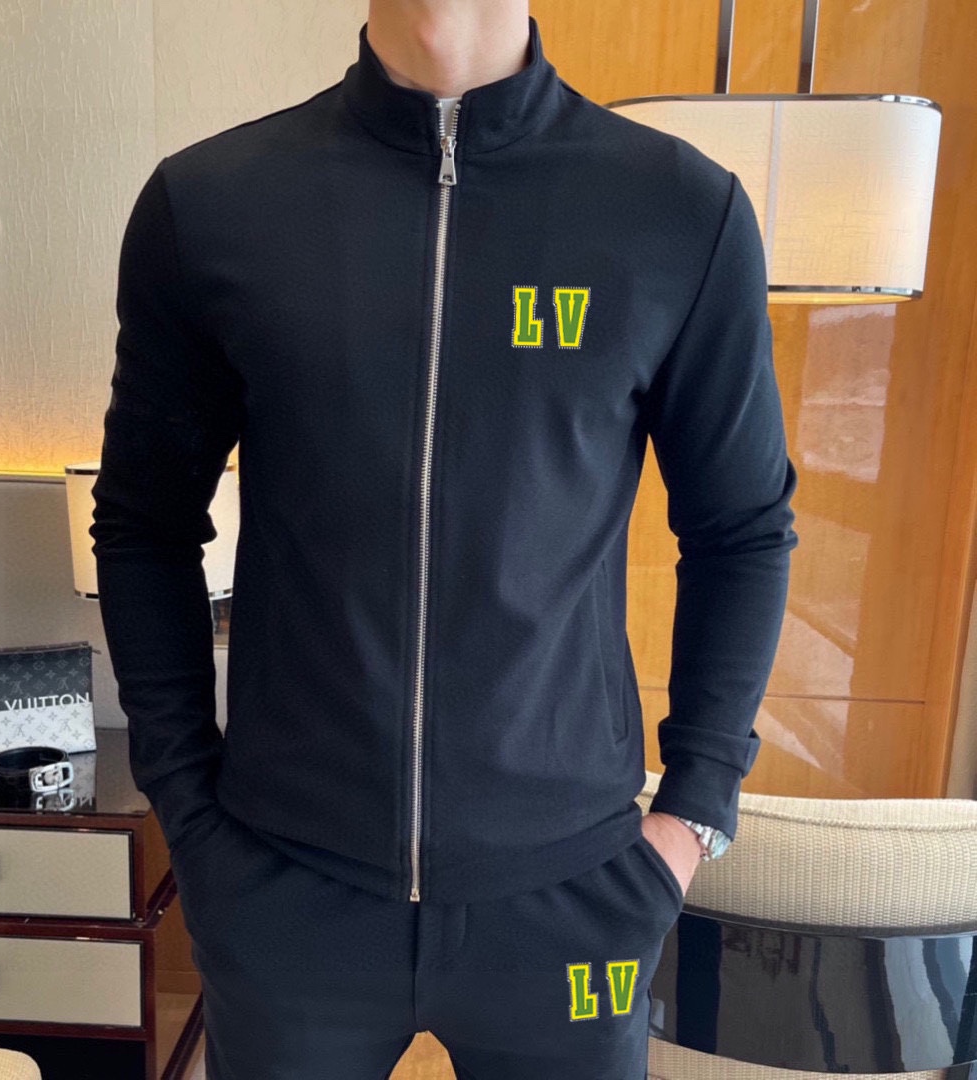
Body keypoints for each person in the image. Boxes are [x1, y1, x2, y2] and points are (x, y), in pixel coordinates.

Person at [89, 0, 799, 1076]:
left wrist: (693, 816)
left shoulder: (679, 212)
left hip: (578, 906)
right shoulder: (213, 205)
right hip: (285, 895)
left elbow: (741, 530)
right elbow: (143, 523)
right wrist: (186, 807)